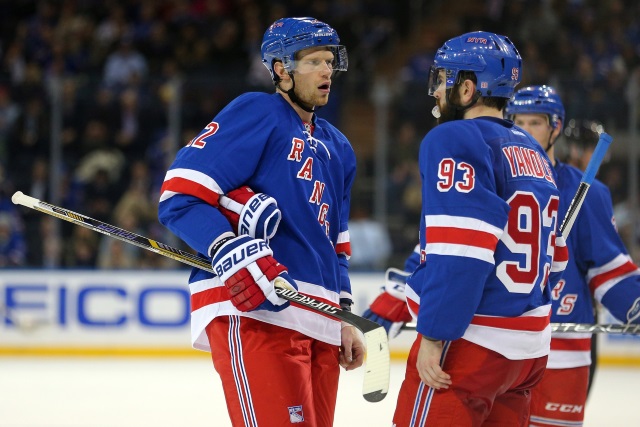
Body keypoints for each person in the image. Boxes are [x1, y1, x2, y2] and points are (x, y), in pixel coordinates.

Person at [157, 17, 364, 427]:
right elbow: (179, 196)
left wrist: (343, 313)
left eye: (329, 61)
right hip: (256, 310)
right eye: (313, 62)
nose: (327, 71)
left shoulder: (339, 147)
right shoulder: (257, 111)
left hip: (317, 317)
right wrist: (226, 246)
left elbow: (335, 245)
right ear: (281, 69)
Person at [371, 31, 569, 426]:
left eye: (442, 80)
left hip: (471, 344)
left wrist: (434, 333)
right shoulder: (534, 152)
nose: (435, 93)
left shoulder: (454, 137)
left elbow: (464, 247)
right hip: (528, 352)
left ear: (467, 87)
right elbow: (557, 258)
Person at [506, 85, 640, 427]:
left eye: (534, 122)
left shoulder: (588, 193)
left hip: (561, 354)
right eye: (516, 121)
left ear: (555, 127)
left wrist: (635, 304)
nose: (524, 130)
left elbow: (608, 270)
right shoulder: (494, 185)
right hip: (500, 346)